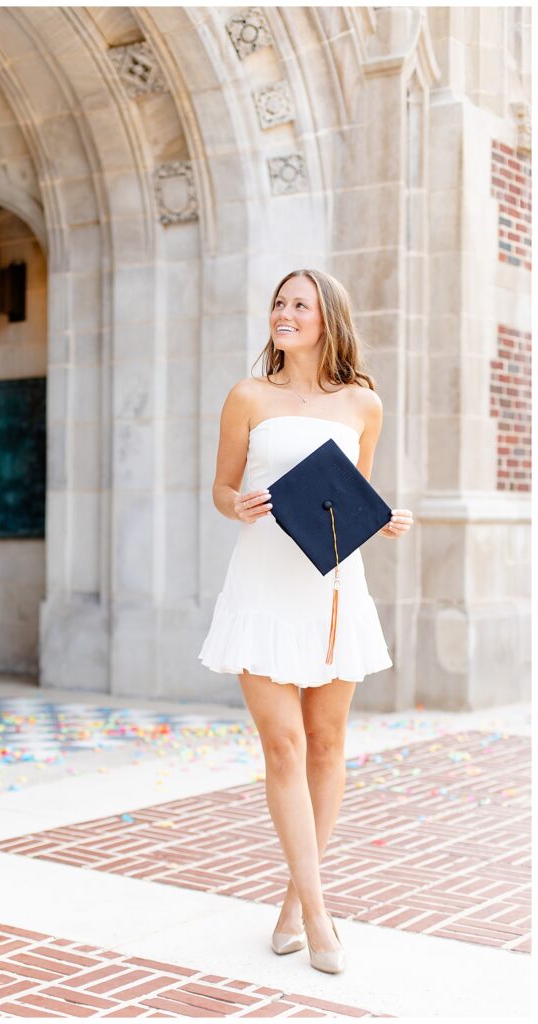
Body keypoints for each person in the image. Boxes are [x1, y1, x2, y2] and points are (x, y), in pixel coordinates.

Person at [198, 268, 413, 974]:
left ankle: (294, 901)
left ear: (327, 320)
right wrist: (238, 505)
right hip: (262, 586)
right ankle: (320, 918)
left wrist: (383, 521)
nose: (284, 313)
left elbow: (352, 497)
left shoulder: (362, 404)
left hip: (331, 591)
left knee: (325, 745)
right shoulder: (247, 395)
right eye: (279, 302)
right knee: (284, 747)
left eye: (300, 304)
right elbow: (220, 489)